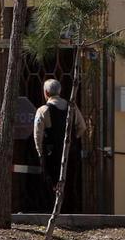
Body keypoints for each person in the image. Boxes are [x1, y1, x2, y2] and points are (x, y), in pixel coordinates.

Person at [33, 79, 87, 212]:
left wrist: (40, 153)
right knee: (69, 185)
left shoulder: (43, 110)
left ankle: (53, 213)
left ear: (46, 93)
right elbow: (82, 127)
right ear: (60, 91)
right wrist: (72, 139)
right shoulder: (72, 107)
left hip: (51, 155)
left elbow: (38, 135)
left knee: (51, 186)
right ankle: (69, 212)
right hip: (70, 153)